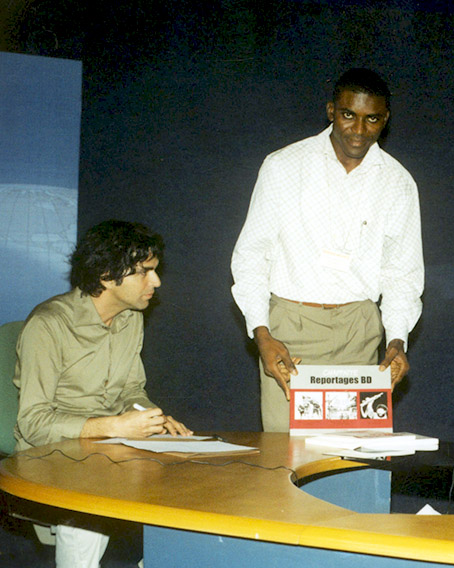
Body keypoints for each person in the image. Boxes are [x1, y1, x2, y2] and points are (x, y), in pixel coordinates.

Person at [231, 68, 424, 432]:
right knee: (285, 461)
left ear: (385, 120)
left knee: (353, 461)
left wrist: (397, 340)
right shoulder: (284, 166)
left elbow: (402, 274)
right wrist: (262, 334)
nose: (359, 130)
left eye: (372, 120)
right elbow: (252, 255)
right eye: (349, 115)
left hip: (359, 334)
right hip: (290, 333)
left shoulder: (398, 182)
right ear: (331, 111)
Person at [14, 219, 192, 568]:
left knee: (186, 478)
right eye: (145, 272)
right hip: (49, 452)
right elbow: (33, 422)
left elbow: (131, 389)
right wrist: (115, 426)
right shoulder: (48, 325)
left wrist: (151, 416)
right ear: (108, 276)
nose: (156, 282)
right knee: (90, 501)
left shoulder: (130, 318)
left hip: (106, 447)